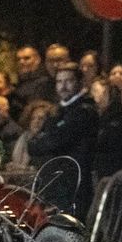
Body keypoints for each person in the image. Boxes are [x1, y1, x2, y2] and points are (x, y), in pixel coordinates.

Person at [26, 62, 99, 214]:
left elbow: (53, 141)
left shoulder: (84, 111)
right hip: (56, 186)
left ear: (79, 82)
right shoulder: (58, 111)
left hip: (75, 186)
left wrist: (44, 141)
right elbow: (35, 145)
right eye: (59, 81)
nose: (63, 86)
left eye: (69, 81)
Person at [11, 45, 55, 111]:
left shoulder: (44, 82)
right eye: (18, 59)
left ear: (38, 60)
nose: (21, 62)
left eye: (27, 58)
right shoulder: (21, 82)